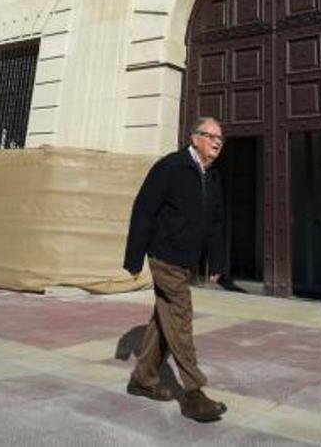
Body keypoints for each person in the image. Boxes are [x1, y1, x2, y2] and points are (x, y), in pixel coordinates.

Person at [123, 116, 228, 423]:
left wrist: (216, 261)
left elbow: (215, 223)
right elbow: (144, 209)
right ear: (194, 138)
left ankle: (142, 379)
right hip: (165, 256)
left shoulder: (212, 176)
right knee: (181, 316)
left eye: (221, 138)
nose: (217, 142)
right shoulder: (171, 167)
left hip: (187, 260)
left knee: (165, 321)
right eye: (211, 136)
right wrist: (134, 257)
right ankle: (194, 394)